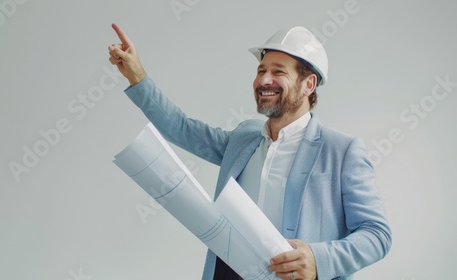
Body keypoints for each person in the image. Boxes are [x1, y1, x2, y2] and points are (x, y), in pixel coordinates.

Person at [108, 23, 391, 280]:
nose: (264, 80)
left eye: (278, 71)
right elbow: (182, 129)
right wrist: (138, 77)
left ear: (309, 84)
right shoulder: (244, 138)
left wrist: (318, 259)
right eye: (261, 71)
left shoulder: (342, 151)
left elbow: (377, 235)